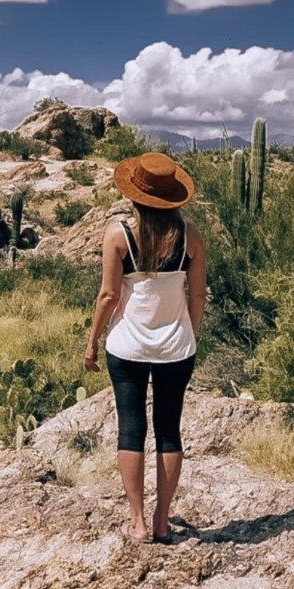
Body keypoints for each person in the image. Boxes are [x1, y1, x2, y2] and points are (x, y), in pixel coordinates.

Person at [84, 151, 206, 544]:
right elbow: (199, 294)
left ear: (135, 195)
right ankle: (162, 521)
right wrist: (190, 332)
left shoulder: (119, 235)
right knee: (169, 431)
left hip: (128, 347)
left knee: (131, 429)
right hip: (176, 348)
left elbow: (107, 295)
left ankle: (136, 522)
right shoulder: (190, 236)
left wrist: (91, 343)